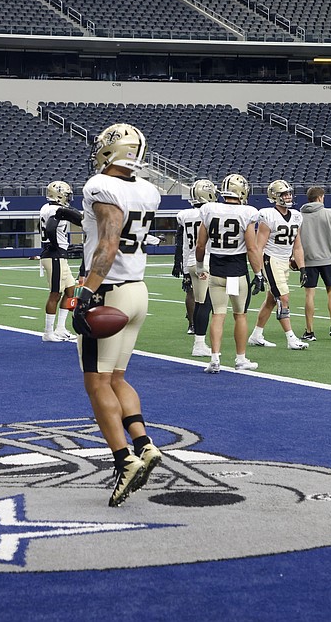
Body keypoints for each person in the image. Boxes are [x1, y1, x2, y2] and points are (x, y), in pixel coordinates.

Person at [71, 123, 162, 508]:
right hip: (138, 290)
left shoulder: (100, 186)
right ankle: (145, 443)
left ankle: (124, 459)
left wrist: (87, 291)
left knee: (96, 383)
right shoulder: (148, 189)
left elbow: (108, 244)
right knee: (118, 377)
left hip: (109, 293)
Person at [195, 173, 264, 374]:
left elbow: (200, 245)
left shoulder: (209, 209)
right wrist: (258, 273)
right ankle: (240, 358)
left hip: (215, 270)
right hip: (235, 272)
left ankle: (215, 358)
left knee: (218, 314)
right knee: (240, 315)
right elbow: (251, 248)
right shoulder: (247, 212)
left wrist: (200, 266)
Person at [247, 180, 309, 351]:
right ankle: (291, 338)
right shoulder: (268, 215)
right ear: (275, 196)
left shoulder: (297, 215)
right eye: (284, 194)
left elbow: (297, 246)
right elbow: (259, 247)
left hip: (284, 262)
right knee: (283, 298)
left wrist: (302, 268)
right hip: (270, 259)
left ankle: (256, 335)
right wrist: (258, 272)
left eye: (289, 193)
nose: (288, 196)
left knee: (271, 301)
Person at [173, 179, 217, 357]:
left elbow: (184, 245)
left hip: (191, 261)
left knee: (201, 303)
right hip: (206, 261)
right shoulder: (211, 212)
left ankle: (199, 339)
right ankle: (200, 343)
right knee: (207, 304)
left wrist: (184, 270)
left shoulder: (185, 215)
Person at [298, 186, 331, 341]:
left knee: (309, 294)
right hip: (327, 259)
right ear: (320, 197)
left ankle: (309, 331)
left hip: (308, 260)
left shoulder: (299, 216)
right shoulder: (329, 214)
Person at [38, 180, 82, 342]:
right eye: (67, 195)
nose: (69, 198)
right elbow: (50, 228)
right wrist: (55, 245)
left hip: (58, 255)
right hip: (54, 254)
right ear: (59, 195)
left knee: (71, 290)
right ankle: (48, 332)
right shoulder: (54, 210)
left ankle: (61, 328)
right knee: (55, 294)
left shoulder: (48, 208)